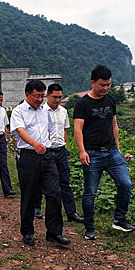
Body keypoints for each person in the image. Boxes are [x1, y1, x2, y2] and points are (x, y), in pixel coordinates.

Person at [73, 65, 135, 241]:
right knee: (90, 191)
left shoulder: (110, 101)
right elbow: (78, 129)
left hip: (112, 152)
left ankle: (119, 219)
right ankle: (89, 227)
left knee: (125, 183)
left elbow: (114, 125)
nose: (106, 88)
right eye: (102, 85)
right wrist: (82, 151)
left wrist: (118, 148)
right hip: (92, 153)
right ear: (93, 82)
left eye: (108, 84)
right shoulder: (82, 104)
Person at [10, 80, 70, 248]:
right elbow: (20, 130)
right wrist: (34, 143)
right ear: (27, 94)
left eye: (42, 96)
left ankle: (54, 232)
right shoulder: (18, 111)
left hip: (47, 156)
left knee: (54, 193)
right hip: (29, 156)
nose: (39, 99)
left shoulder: (45, 111)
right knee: (29, 195)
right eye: (36, 96)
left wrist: (45, 145)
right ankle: (27, 232)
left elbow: (50, 129)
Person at [34, 84, 84, 223]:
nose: (57, 100)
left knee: (65, 181)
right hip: (46, 151)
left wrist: (64, 146)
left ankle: (71, 212)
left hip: (60, 151)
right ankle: (36, 207)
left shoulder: (63, 111)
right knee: (41, 180)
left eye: (60, 97)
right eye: (54, 97)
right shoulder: (41, 111)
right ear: (48, 96)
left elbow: (64, 130)